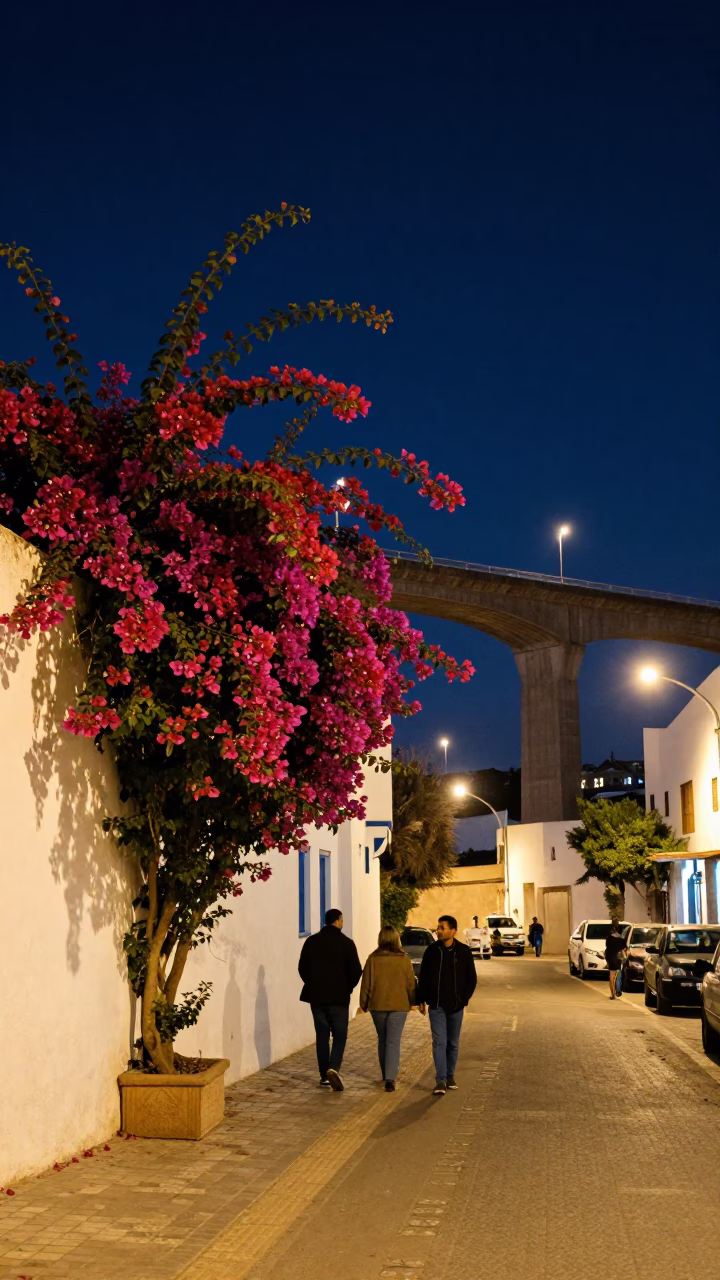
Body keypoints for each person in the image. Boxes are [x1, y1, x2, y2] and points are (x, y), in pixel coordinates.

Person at [298, 907, 362, 1090]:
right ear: (338, 921)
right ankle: (333, 1067)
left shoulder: (311, 942)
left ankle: (323, 1076)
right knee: (340, 1035)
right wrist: (347, 986)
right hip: (339, 998)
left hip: (316, 998)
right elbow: (356, 971)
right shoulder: (347, 943)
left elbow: (302, 968)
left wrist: (312, 983)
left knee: (322, 1036)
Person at [417, 914, 477, 1096]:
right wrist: (420, 999)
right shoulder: (431, 951)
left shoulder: (464, 952)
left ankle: (450, 1075)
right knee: (439, 1042)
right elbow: (424, 977)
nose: (439, 930)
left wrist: (463, 1000)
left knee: (453, 1043)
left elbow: (471, 979)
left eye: (442, 928)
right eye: (438, 927)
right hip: (436, 1005)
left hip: (456, 1006)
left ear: (453, 931)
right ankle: (441, 1079)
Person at [358, 925, 419, 1091]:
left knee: (383, 1040)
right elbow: (410, 983)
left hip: (377, 1005)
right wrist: (414, 1001)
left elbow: (366, 983)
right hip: (399, 1005)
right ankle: (390, 1078)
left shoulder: (372, 959)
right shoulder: (403, 959)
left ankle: (386, 1074)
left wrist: (363, 1002)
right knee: (393, 1041)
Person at [605, 918, 628, 1000]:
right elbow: (624, 949)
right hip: (618, 958)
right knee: (618, 975)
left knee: (611, 975)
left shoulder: (609, 938)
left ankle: (612, 994)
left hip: (610, 957)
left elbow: (607, 947)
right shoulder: (621, 940)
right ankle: (618, 989)